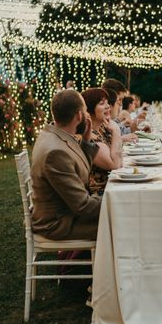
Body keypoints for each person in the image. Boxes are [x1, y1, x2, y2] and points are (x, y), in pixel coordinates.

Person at [30, 89, 101, 240]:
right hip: (59, 223)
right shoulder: (55, 153)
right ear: (79, 116)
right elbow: (84, 206)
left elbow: (81, 172)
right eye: (86, 111)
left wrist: (86, 140)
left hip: (69, 212)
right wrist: (116, 200)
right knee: (118, 223)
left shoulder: (53, 134)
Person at [82, 88, 124, 195]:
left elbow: (119, 155)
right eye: (102, 103)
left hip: (113, 186)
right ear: (89, 110)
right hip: (101, 194)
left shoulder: (101, 129)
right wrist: (116, 130)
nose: (107, 106)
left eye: (107, 103)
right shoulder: (89, 136)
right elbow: (115, 164)